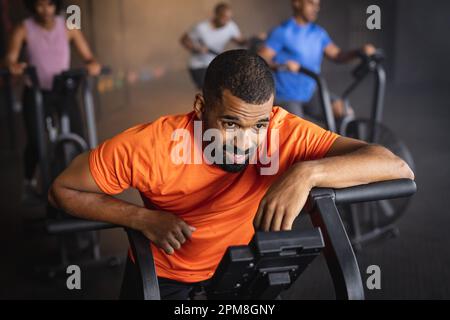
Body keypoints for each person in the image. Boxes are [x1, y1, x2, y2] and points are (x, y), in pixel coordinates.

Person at [48, 50, 414, 300]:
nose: (246, 142)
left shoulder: (282, 131)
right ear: (200, 107)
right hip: (165, 275)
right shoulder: (149, 146)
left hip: (240, 269)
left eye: (258, 126)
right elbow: (62, 190)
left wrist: (306, 173)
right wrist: (140, 217)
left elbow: (394, 167)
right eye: (230, 123)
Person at [5, 0, 101, 202]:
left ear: (55, 5)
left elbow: (88, 57)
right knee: (35, 140)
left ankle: (83, 184)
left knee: (78, 135)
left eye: (49, 5)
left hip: (63, 91)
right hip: (36, 92)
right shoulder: (24, 28)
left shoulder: (69, 26)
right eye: (39, 5)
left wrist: (92, 64)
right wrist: (13, 65)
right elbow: (10, 58)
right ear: (33, 7)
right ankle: (29, 184)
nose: (45, 10)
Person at [259, 0, 377, 120]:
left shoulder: (319, 33)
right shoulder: (282, 32)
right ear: (297, 3)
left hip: (311, 93)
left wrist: (359, 51)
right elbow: (262, 58)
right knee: (299, 128)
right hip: (287, 95)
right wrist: (280, 65)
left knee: (345, 111)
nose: (316, 8)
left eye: (317, 4)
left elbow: (338, 55)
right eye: (311, 3)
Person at [180, 2, 246, 90]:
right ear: (216, 15)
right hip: (198, 65)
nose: (227, 20)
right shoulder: (201, 28)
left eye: (229, 18)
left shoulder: (230, 26)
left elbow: (240, 41)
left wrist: (255, 39)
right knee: (207, 90)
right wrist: (197, 49)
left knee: (222, 89)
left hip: (215, 63)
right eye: (224, 17)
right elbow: (184, 40)